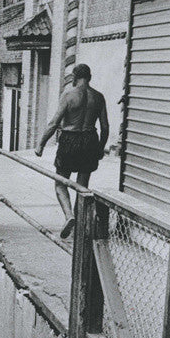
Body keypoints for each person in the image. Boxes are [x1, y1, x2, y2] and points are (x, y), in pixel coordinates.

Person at [35, 63, 109, 239]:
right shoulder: (98, 97)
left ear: (75, 78)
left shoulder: (68, 95)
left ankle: (69, 216)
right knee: (82, 186)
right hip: (90, 140)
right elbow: (105, 127)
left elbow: (54, 123)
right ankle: (80, 228)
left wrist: (41, 144)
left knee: (61, 182)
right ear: (89, 77)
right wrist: (99, 149)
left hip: (70, 140)